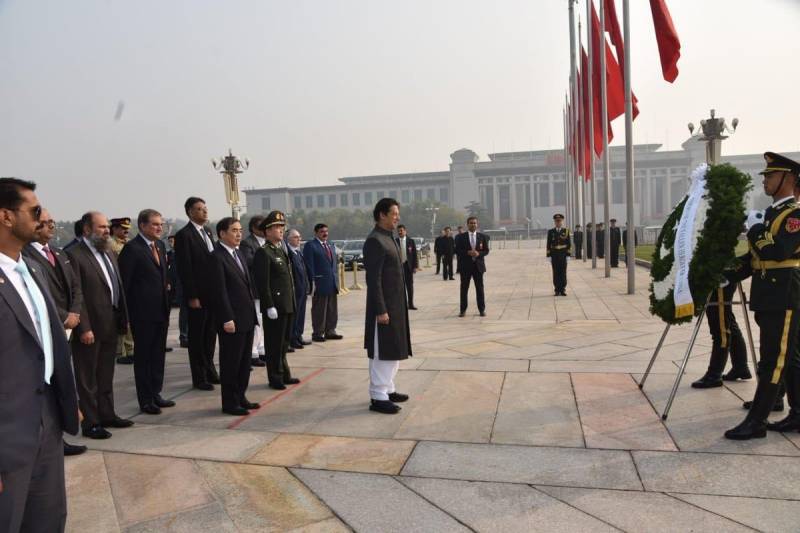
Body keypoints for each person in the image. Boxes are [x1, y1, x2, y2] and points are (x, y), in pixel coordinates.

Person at [0, 178, 80, 533]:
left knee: (47, 519)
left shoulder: (30, 269)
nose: (41, 218)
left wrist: (66, 397)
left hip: (46, 418)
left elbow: (49, 341)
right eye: (33, 211)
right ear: (5, 216)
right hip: (7, 433)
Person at [723, 152, 800, 440]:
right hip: (770, 294)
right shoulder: (772, 215)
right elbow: (756, 257)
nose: (765, 180)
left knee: (772, 359)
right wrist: (726, 273)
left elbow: (778, 251)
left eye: (770, 175)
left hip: (784, 295)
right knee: (790, 357)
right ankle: (798, 413)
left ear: (788, 178)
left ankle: (757, 421)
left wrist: (755, 230)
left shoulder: (794, 214)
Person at [23, 208, 86, 457]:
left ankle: (61, 435)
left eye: (52, 222)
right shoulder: (24, 256)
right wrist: (63, 316)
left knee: (65, 379)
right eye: (45, 222)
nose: (51, 226)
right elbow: (41, 294)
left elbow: (75, 286)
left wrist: (74, 312)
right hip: (49, 328)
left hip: (69, 326)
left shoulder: (60, 253)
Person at [67, 211, 133, 439]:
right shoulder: (74, 255)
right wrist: (83, 327)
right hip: (90, 327)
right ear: (87, 229)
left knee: (106, 374)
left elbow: (117, 287)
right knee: (87, 378)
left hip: (110, 324)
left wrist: (123, 318)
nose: (106, 231)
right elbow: (76, 295)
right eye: (102, 227)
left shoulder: (108, 252)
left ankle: (107, 414)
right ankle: (91, 423)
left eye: (107, 227)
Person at [118, 209, 174, 415]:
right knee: (144, 358)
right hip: (142, 314)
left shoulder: (159, 245)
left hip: (161, 311)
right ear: (142, 226)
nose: (159, 228)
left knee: (158, 356)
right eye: (155, 224)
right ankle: (145, 398)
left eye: (161, 224)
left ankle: (156, 392)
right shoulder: (132, 249)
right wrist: (127, 317)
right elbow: (125, 285)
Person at [363, 198, 411, 414]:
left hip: (396, 305)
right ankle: (378, 395)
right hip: (384, 309)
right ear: (382, 214)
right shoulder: (375, 241)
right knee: (383, 351)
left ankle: (388, 388)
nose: (397, 217)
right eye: (393, 214)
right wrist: (381, 309)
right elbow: (374, 280)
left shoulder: (389, 238)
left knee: (394, 348)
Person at [208, 218, 260, 416]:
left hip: (246, 317)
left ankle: (241, 396)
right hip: (232, 320)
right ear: (222, 234)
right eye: (234, 230)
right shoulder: (216, 257)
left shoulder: (237, 253)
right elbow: (218, 291)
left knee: (244, 362)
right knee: (231, 363)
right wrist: (226, 318)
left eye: (239, 230)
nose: (238, 234)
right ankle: (229, 402)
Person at [174, 197, 220, 391]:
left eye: (205, 208)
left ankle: (210, 369)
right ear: (190, 212)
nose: (204, 212)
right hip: (197, 295)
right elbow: (185, 268)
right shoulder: (184, 235)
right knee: (197, 338)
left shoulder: (207, 231)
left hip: (212, 294)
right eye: (200, 209)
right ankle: (199, 377)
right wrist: (192, 296)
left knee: (210, 335)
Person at [255, 211, 301, 390]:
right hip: (276, 306)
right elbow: (263, 283)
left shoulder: (281, 249)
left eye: (282, 227)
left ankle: (285, 373)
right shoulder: (264, 252)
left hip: (287, 304)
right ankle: (275, 377)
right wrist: (269, 306)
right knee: (274, 344)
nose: (281, 230)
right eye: (276, 227)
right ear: (267, 231)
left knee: (284, 343)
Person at [691, 281, 752, 389]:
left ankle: (714, 374)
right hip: (721, 275)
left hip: (721, 278)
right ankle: (740, 366)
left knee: (720, 327)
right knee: (726, 321)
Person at [303, 223, 342, 342]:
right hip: (319, 282)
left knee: (332, 309)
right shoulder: (311, 245)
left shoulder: (330, 244)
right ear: (316, 233)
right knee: (319, 309)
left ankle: (330, 331)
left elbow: (333, 264)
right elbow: (309, 265)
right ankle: (318, 333)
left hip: (332, 282)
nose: (325, 233)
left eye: (326, 231)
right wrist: (312, 282)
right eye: (322, 231)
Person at [238, 215, 267, 368]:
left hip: (266, 289)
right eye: (263, 226)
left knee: (264, 323)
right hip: (255, 289)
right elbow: (249, 261)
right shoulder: (247, 243)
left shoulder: (267, 242)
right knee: (257, 321)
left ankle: (262, 349)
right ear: (254, 228)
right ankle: (253, 352)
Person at [109, 217, 135, 365]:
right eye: (123, 228)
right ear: (115, 229)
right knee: (121, 320)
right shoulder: (110, 244)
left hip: (129, 288)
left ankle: (130, 350)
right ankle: (121, 352)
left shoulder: (128, 243)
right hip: (118, 287)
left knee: (130, 320)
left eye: (127, 229)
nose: (126, 231)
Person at [455, 216, 490, 317]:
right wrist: (467, 252)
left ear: (477, 224)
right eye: (471, 223)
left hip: (478, 267)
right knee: (464, 289)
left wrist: (479, 254)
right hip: (465, 267)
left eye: (474, 223)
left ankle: (481, 310)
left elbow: (486, 251)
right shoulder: (460, 237)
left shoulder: (482, 237)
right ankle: (463, 310)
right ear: (467, 224)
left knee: (480, 289)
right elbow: (457, 250)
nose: (473, 224)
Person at [286, 228, 311, 349]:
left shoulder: (298, 252)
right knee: (294, 316)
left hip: (302, 289)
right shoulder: (288, 253)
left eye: (299, 237)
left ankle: (298, 336)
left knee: (301, 314)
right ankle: (292, 338)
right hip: (295, 290)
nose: (299, 239)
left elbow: (304, 271)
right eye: (296, 237)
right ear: (289, 239)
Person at [546, 214, 571, 296]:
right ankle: (557, 289)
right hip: (554, 255)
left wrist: (568, 255)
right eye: (556, 221)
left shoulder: (566, 231)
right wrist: (548, 255)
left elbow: (569, 244)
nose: (558, 222)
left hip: (563, 255)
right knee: (556, 272)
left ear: (562, 221)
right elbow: (548, 244)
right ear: (554, 222)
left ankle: (563, 289)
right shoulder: (551, 232)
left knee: (563, 272)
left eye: (559, 221)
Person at [396, 224, 419, 310]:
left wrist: (415, 266)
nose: (400, 232)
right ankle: (402, 305)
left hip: (408, 266)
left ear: (405, 231)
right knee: (400, 287)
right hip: (398, 267)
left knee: (409, 286)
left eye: (401, 230)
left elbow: (414, 255)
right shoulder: (395, 241)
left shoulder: (411, 241)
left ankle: (411, 304)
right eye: (398, 231)